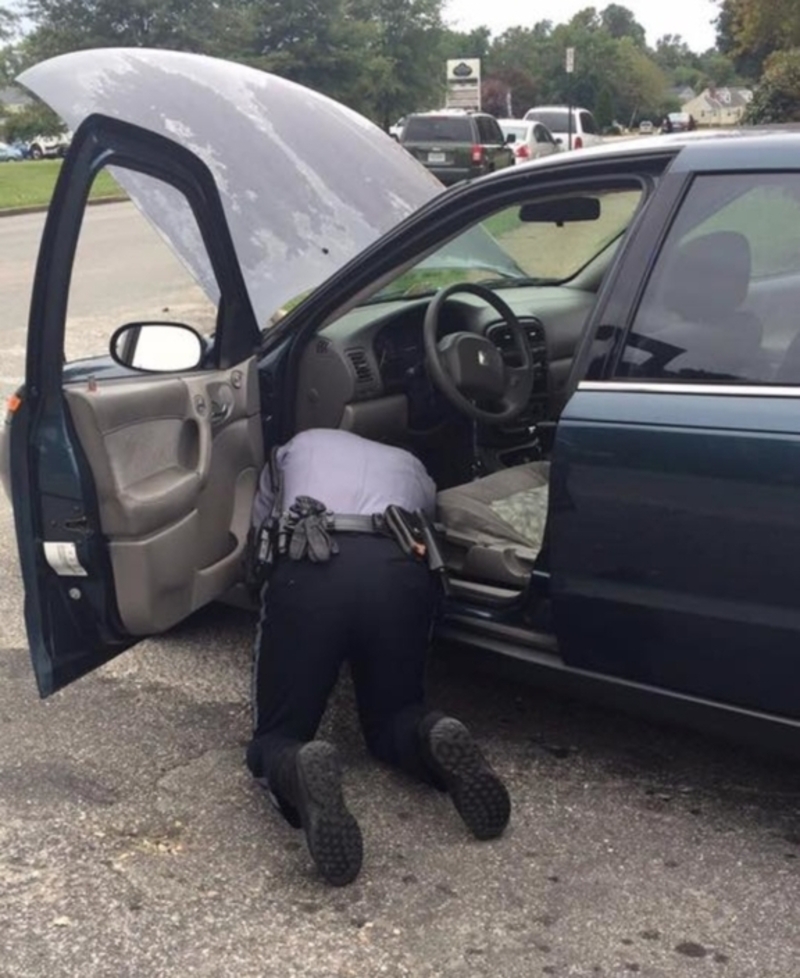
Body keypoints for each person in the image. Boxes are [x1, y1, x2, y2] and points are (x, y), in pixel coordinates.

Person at [246, 427, 511, 885]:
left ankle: (297, 761)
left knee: (274, 734)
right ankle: (431, 736)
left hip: (314, 563)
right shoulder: (415, 470)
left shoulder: (296, 444)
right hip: (398, 569)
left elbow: (261, 531)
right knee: (394, 716)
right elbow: (429, 527)